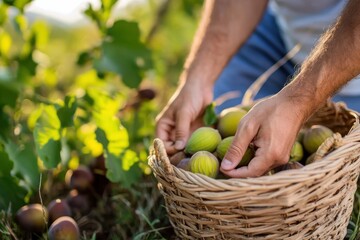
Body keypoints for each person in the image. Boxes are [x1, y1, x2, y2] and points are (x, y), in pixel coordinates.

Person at [155, 0, 360, 178]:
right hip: (278, 35)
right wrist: (197, 80)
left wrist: (297, 101)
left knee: (339, 162)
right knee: (214, 118)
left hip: (353, 74)